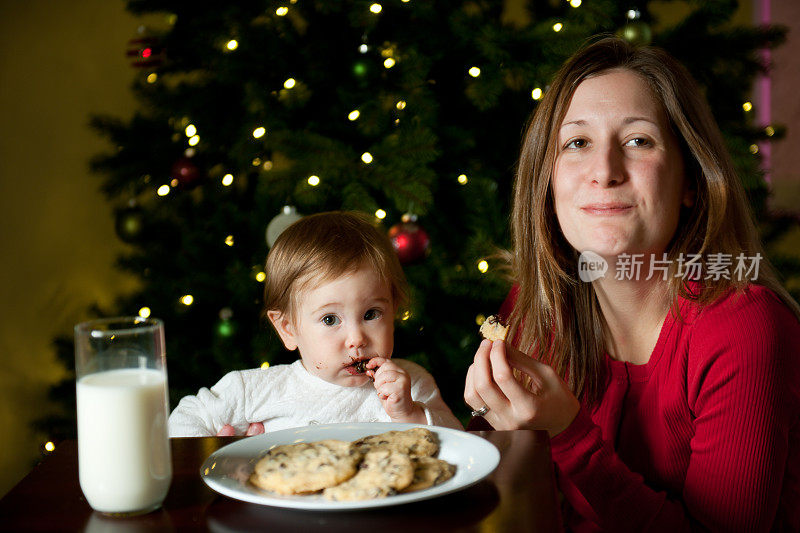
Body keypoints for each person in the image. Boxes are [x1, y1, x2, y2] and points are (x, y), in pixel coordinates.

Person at [464, 36, 800, 532]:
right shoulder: (535, 308)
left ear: (690, 181)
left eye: (638, 141)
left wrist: (567, 435)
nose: (604, 172)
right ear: (547, 182)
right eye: (577, 143)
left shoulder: (745, 326)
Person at [170, 211, 462, 437]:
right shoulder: (255, 390)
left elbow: (459, 443)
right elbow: (184, 421)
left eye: (371, 314)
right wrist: (221, 455)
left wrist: (410, 415)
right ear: (288, 328)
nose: (356, 338)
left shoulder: (410, 385)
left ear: (393, 312)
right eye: (330, 319)